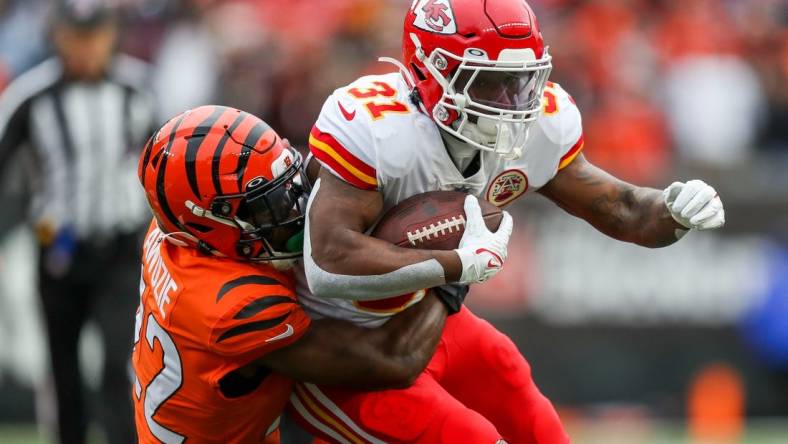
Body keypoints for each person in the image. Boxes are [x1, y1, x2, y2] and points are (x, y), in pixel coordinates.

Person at [292, 0, 727, 443]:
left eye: (520, 81)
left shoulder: (544, 123)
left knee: (532, 416)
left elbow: (625, 210)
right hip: (339, 343)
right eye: (489, 83)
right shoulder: (377, 127)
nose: (511, 101)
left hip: (418, 316)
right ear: (430, 72)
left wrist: (671, 210)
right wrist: (455, 266)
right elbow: (328, 263)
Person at [133, 105, 459, 443]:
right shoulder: (234, 306)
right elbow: (394, 359)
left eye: (288, 183)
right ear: (209, 223)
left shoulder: (175, 232)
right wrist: (448, 274)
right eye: (269, 205)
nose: (295, 207)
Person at [0, 2, 155, 442]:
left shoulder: (138, 89)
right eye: (76, 36)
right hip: (58, 247)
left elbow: (167, 169)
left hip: (122, 246)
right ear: (58, 35)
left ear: (111, 35)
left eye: (95, 35)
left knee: (118, 360)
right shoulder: (31, 96)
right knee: (62, 363)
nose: (86, 48)